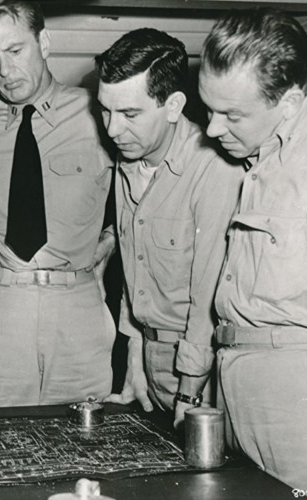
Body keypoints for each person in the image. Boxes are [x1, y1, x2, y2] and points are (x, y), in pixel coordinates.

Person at [198, 8, 307, 493]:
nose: (211, 129)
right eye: (209, 109)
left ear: (288, 101)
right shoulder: (259, 152)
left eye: (231, 114)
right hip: (236, 388)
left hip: (306, 400)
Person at [0, 0, 116, 408]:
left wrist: (111, 239)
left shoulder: (98, 114)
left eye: (14, 51)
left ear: (45, 43)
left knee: (84, 444)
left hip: (77, 306)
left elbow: (141, 192)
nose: (3, 70)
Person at [96, 29, 243, 428]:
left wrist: (189, 392)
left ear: (174, 105)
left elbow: (208, 299)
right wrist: (135, 359)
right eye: (105, 111)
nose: (111, 130)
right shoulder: (125, 163)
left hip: (203, 371)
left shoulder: (213, 169)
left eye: (129, 114)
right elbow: (132, 274)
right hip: (150, 359)